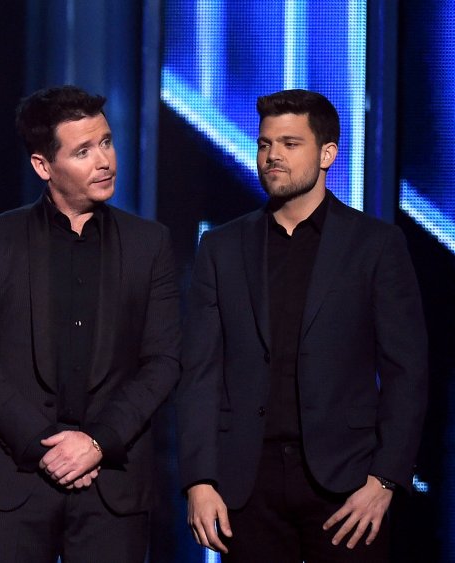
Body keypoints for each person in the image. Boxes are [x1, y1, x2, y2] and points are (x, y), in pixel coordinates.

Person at [176, 89, 428, 562]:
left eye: (290, 144)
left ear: (328, 153)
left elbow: (407, 372)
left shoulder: (375, 245)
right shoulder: (222, 247)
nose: (272, 156)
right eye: (265, 144)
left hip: (348, 483)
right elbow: (199, 374)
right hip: (247, 485)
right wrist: (199, 480)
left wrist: (385, 480)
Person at [0, 85, 181, 562]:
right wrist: (46, 447)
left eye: (106, 142)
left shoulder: (149, 244)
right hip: (14, 479)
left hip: (111, 482)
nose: (105, 161)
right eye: (83, 151)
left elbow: (162, 362)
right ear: (43, 166)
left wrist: (97, 443)